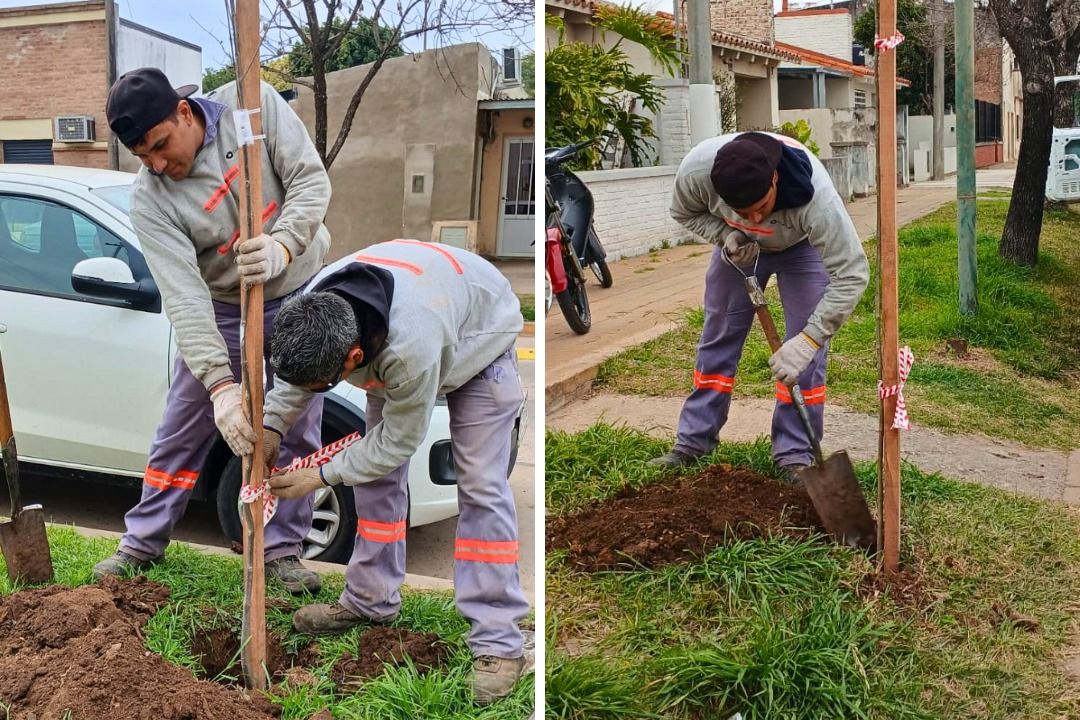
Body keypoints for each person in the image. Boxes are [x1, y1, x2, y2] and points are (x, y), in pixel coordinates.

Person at [91, 67, 329, 594]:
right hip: (223, 304)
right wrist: (220, 387)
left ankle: (283, 552)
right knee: (181, 427)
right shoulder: (150, 198)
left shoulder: (253, 108)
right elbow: (183, 295)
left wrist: (283, 244)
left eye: (159, 145)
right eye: (141, 156)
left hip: (296, 288)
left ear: (184, 112)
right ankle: (141, 543)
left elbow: (311, 181)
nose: (156, 164)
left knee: (295, 426)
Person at [261, 239, 530, 704]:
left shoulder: (408, 348)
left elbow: (399, 441)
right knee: (376, 484)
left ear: (351, 360)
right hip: (424, 310)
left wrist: (319, 475)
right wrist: (270, 427)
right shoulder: (319, 309)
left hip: (480, 340)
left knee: (481, 489)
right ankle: (369, 601)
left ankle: (499, 641)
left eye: (322, 386)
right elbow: (295, 380)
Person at [649, 131, 869, 479]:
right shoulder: (696, 173)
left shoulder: (817, 201)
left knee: (804, 358)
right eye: (742, 212)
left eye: (762, 208)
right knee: (718, 335)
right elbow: (684, 212)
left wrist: (809, 339)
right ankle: (693, 442)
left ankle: (795, 455)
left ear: (775, 179)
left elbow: (853, 273)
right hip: (739, 249)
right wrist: (726, 234)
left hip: (801, 248)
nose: (754, 220)